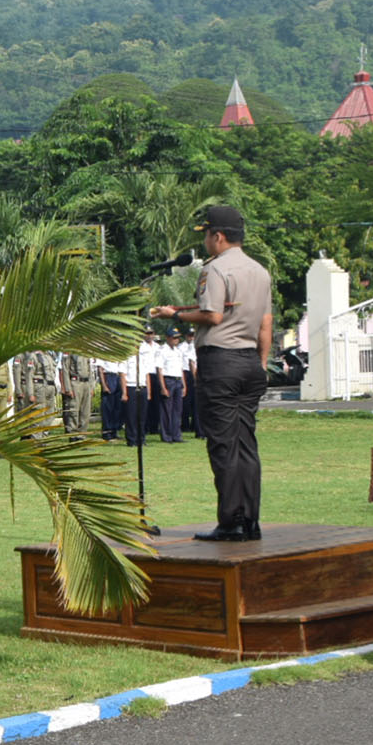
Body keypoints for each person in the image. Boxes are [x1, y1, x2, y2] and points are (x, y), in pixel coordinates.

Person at [152, 205, 272, 542]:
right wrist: (261, 364)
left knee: (223, 444)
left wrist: (174, 315)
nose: (205, 242)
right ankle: (250, 520)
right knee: (246, 443)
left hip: (221, 361)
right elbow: (265, 323)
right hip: (249, 360)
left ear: (217, 235)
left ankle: (231, 520)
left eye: (206, 235)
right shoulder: (260, 272)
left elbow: (213, 316)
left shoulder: (215, 270)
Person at [155, 328, 187, 443]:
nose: (176, 340)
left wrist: (184, 385)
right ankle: (166, 435)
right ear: (168, 338)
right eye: (174, 338)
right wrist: (163, 387)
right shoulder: (162, 350)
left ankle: (176, 435)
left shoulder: (178, 351)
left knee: (177, 409)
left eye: (178, 337)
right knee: (166, 409)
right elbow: (159, 369)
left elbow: (181, 369)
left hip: (178, 380)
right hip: (168, 380)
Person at [60, 351, 95, 441]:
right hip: (75, 382)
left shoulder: (85, 352)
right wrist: (68, 388)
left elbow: (89, 370)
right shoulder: (70, 351)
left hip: (86, 383)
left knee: (85, 412)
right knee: (74, 411)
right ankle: (72, 435)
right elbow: (65, 369)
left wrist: (91, 387)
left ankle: (82, 435)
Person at [97, 356, 124, 442]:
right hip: (108, 376)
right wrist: (104, 385)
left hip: (118, 376)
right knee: (107, 407)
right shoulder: (104, 350)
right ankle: (107, 432)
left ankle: (114, 431)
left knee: (117, 407)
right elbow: (100, 369)